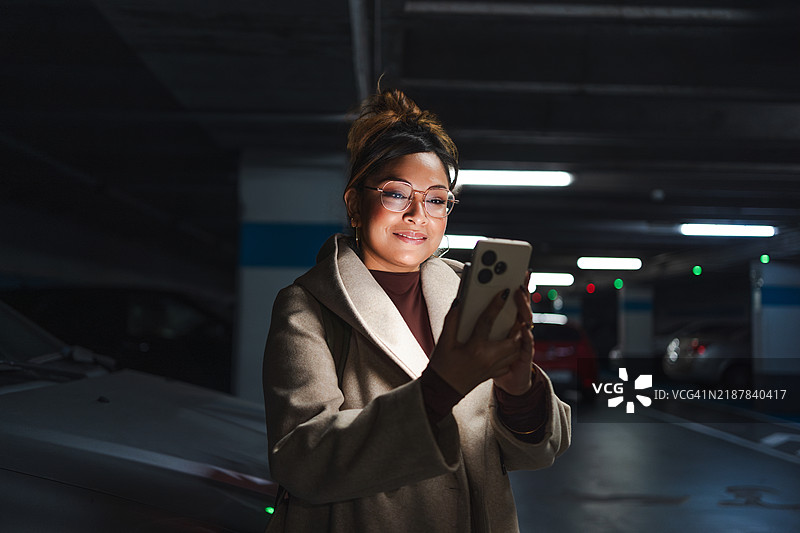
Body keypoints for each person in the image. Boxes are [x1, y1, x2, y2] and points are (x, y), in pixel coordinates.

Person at [262, 88, 571, 532]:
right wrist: (440, 389)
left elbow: (537, 452)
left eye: (436, 198)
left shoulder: (467, 290)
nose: (417, 215)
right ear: (354, 203)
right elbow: (302, 461)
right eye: (396, 194)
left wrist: (517, 390)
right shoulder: (308, 306)